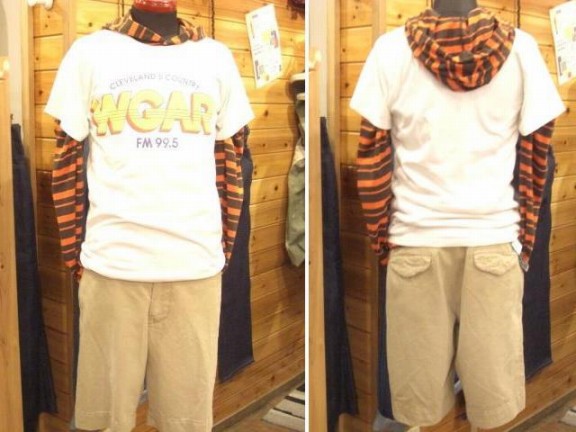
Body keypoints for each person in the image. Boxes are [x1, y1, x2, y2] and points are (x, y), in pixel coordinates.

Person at [351, 0, 565, 429]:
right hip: (493, 241)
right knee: (492, 406)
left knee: (421, 408)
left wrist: (384, 241)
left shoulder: (390, 51)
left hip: (415, 244)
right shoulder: (521, 49)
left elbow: (371, 160)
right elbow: (535, 160)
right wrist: (523, 239)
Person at [45, 1, 254, 431]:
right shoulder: (89, 53)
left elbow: (232, 164)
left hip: (194, 272)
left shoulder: (215, 57)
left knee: (186, 422)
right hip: (111, 270)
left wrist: (221, 248)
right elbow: (66, 166)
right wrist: (75, 258)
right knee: (103, 421)